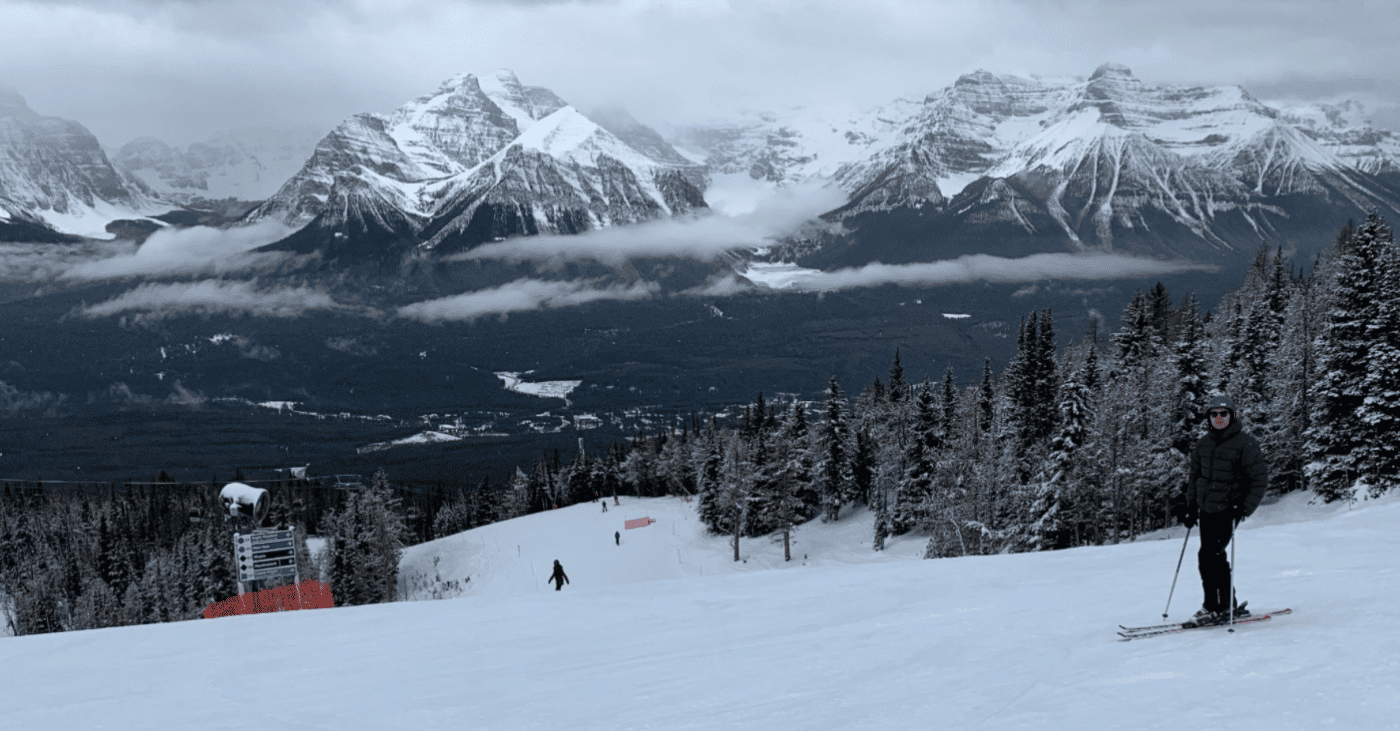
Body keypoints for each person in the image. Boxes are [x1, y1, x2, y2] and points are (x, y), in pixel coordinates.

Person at [1182, 395, 1268, 623]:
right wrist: (1190, 507)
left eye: (1223, 414)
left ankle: (1216, 606)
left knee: (1212, 555)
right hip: (1206, 510)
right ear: (1208, 418)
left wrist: (1244, 507)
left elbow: (1259, 480)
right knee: (1209, 557)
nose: (1218, 418)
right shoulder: (1203, 444)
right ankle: (1222, 604)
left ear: (1232, 416)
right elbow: (1195, 478)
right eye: (1214, 414)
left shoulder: (1245, 444)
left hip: (1228, 510)